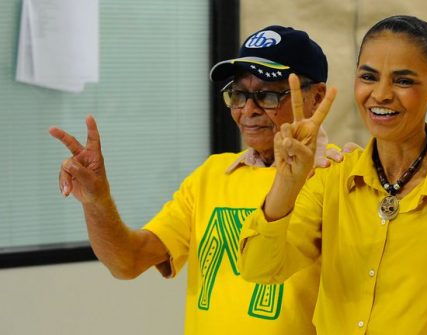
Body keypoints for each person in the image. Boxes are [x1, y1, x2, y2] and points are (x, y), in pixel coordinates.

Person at [50, 25, 331, 334]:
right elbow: (127, 262)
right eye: (238, 94)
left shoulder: (338, 173)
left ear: (316, 97)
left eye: (266, 95)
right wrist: (96, 201)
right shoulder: (211, 175)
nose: (248, 110)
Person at [237, 15, 427, 334]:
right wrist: (286, 184)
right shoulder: (332, 177)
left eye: (403, 81)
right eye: (369, 77)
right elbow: (259, 269)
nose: (382, 94)